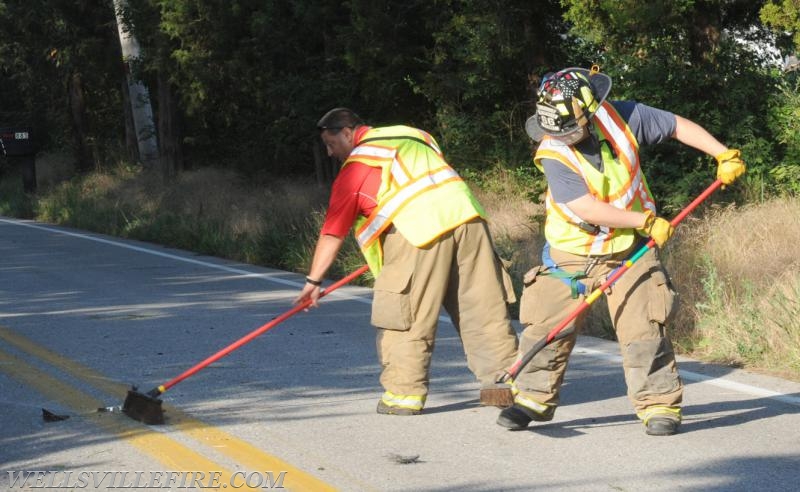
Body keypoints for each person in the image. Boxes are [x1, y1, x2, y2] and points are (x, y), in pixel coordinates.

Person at [496, 67, 745, 435]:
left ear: (590, 112)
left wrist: (722, 154)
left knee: (644, 325)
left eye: (570, 129)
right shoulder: (553, 153)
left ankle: (658, 405)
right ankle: (532, 398)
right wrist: (643, 221)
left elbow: (677, 125)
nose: (562, 137)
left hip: (630, 246)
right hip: (572, 251)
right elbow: (585, 208)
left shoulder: (623, 117)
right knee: (547, 325)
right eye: (556, 130)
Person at [294, 108, 519, 415]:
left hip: (418, 232)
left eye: (331, 144)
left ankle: (403, 394)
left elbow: (333, 233)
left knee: (404, 315)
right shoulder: (410, 135)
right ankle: (503, 383)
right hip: (468, 220)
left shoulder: (358, 167)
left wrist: (314, 281)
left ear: (348, 132)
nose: (331, 153)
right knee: (481, 307)